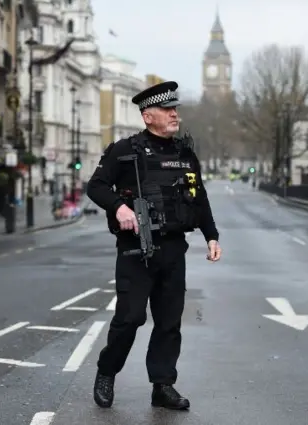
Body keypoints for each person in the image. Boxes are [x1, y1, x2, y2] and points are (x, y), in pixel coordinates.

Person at [86, 81, 222, 411]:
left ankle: (163, 385)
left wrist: (211, 235)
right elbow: (96, 186)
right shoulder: (125, 150)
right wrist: (119, 206)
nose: (175, 114)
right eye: (167, 109)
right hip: (136, 252)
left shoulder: (185, 154)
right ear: (148, 117)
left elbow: (198, 197)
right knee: (130, 319)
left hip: (174, 249)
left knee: (169, 322)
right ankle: (107, 371)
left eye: (175, 109)